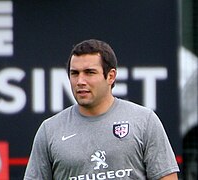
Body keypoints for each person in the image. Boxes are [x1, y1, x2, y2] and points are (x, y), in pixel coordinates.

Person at [24, 39, 180, 179]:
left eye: (89, 73)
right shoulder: (50, 130)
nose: (80, 81)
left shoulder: (144, 121)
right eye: (74, 73)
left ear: (111, 76)